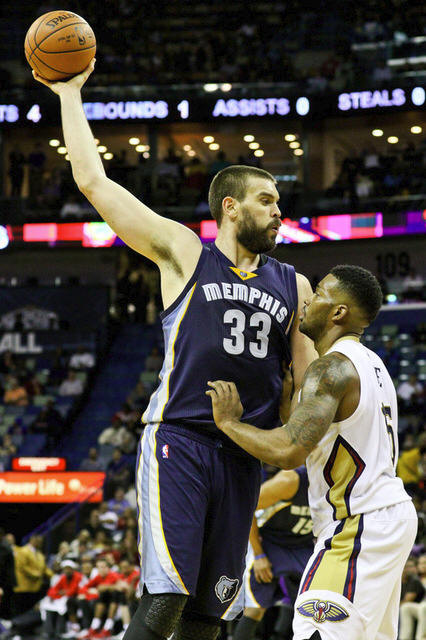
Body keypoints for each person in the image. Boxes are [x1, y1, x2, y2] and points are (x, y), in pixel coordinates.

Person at [33, 61, 316, 640]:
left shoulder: (296, 285)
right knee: (165, 600)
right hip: (181, 440)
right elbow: (95, 183)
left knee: (206, 620)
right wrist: (68, 93)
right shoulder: (186, 253)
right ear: (230, 207)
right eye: (266, 200)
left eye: (279, 202)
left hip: (245, 453)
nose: (278, 211)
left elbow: (308, 391)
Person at [206, 265, 418, 640]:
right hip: (383, 518)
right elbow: (320, 441)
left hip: (357, 522)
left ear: (338, 312)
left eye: (318, 293)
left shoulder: (331, 368)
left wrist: (228, 423)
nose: (308, 301)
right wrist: (291, 401)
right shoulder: (372, 365)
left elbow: (289, 451)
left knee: (314, 631)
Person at [233, 468, 314, 640]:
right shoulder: (290, 480)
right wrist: (259, 555)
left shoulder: (338, 482)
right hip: (271, 543)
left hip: (303, 545)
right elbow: (248, 507)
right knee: (255, 609)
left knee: (315, 608)